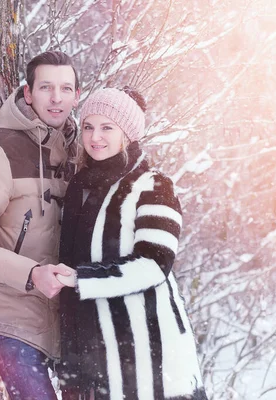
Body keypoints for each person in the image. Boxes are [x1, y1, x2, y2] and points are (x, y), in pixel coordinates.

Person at [57, 87, 208, 400]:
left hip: (148, 358)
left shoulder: (152, 185)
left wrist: (80, 278)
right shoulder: (79, 186)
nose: (95, 137)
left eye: (107, 127)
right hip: (91, 356)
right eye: (88, 127)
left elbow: (154, 265)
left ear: (127, 133)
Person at [0, 50, 79, 400]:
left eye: (66, 88)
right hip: (11, 321)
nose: (56, 98)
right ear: (28, 93)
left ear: (76, 96)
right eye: (46, 87)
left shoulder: (80, 151)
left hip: (68, 324)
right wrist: (31, 273)